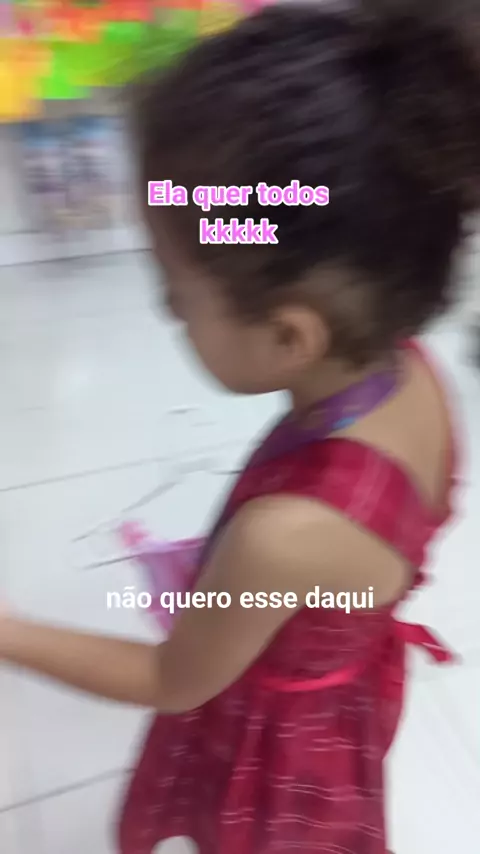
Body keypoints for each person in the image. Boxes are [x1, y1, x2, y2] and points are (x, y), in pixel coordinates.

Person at [2, 3, 480, 852]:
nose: (165, 312)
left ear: (291, 337)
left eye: (177, 296)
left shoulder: (284, 535)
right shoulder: (412, 373)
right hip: (342, 678)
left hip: (280, 748)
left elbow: (171, 677)